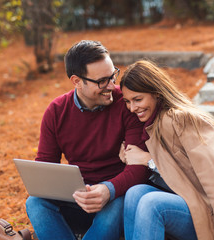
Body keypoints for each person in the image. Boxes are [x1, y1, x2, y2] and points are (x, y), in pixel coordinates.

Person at [119, 60, 214, 240]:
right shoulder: (154, 125)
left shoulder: (185, 121)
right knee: (135, 194)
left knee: (152, 204)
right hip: (194, 206)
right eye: (127, 101)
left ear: (156, 93)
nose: (132, 108)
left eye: (138, 99)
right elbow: (179, 180)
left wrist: (149, 160)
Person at [25, 40, 150, 240]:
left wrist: (108, 190)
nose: (112, 85)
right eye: (102, 81)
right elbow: (45, 167)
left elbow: (139, 167)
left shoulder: (126, 104)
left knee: (119, 204)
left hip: (116, 196)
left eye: (113, 76)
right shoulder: (57, 112)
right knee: (35, 202)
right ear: (76, 81)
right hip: (76, 199)